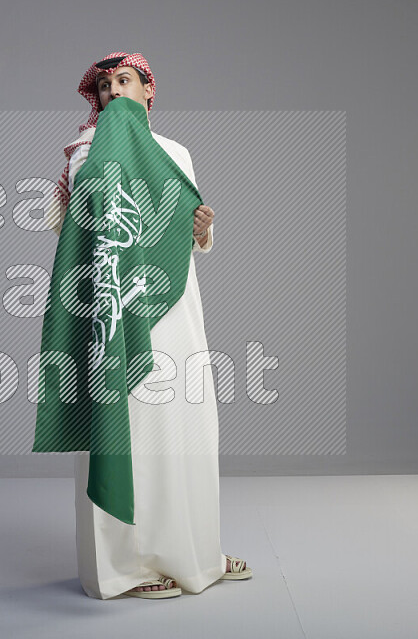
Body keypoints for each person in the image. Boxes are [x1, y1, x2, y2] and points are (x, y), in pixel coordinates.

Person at [46, 52, 252, 599]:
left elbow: (180, 237)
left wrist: (202, 228)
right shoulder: (83, 155)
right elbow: (79, 234)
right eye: (106, 86)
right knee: (126, 430)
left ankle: (195, 551)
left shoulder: (176, 153)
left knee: (185, 428)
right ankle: (123, 568)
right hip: (117, 315)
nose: (115, 92)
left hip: (175, 309)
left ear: (147, 92)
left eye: (125, 82)